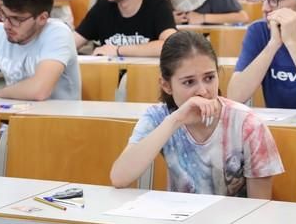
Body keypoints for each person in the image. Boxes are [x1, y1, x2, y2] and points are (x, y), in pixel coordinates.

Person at [110, 30, 283, 197]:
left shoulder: (248, 124)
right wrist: (176, 120)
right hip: (179, 222)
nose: (202, 91)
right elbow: (119, 177)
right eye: (189, 82)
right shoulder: (159, 116)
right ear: (166, 86)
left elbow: (258, 207)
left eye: (209, 78)